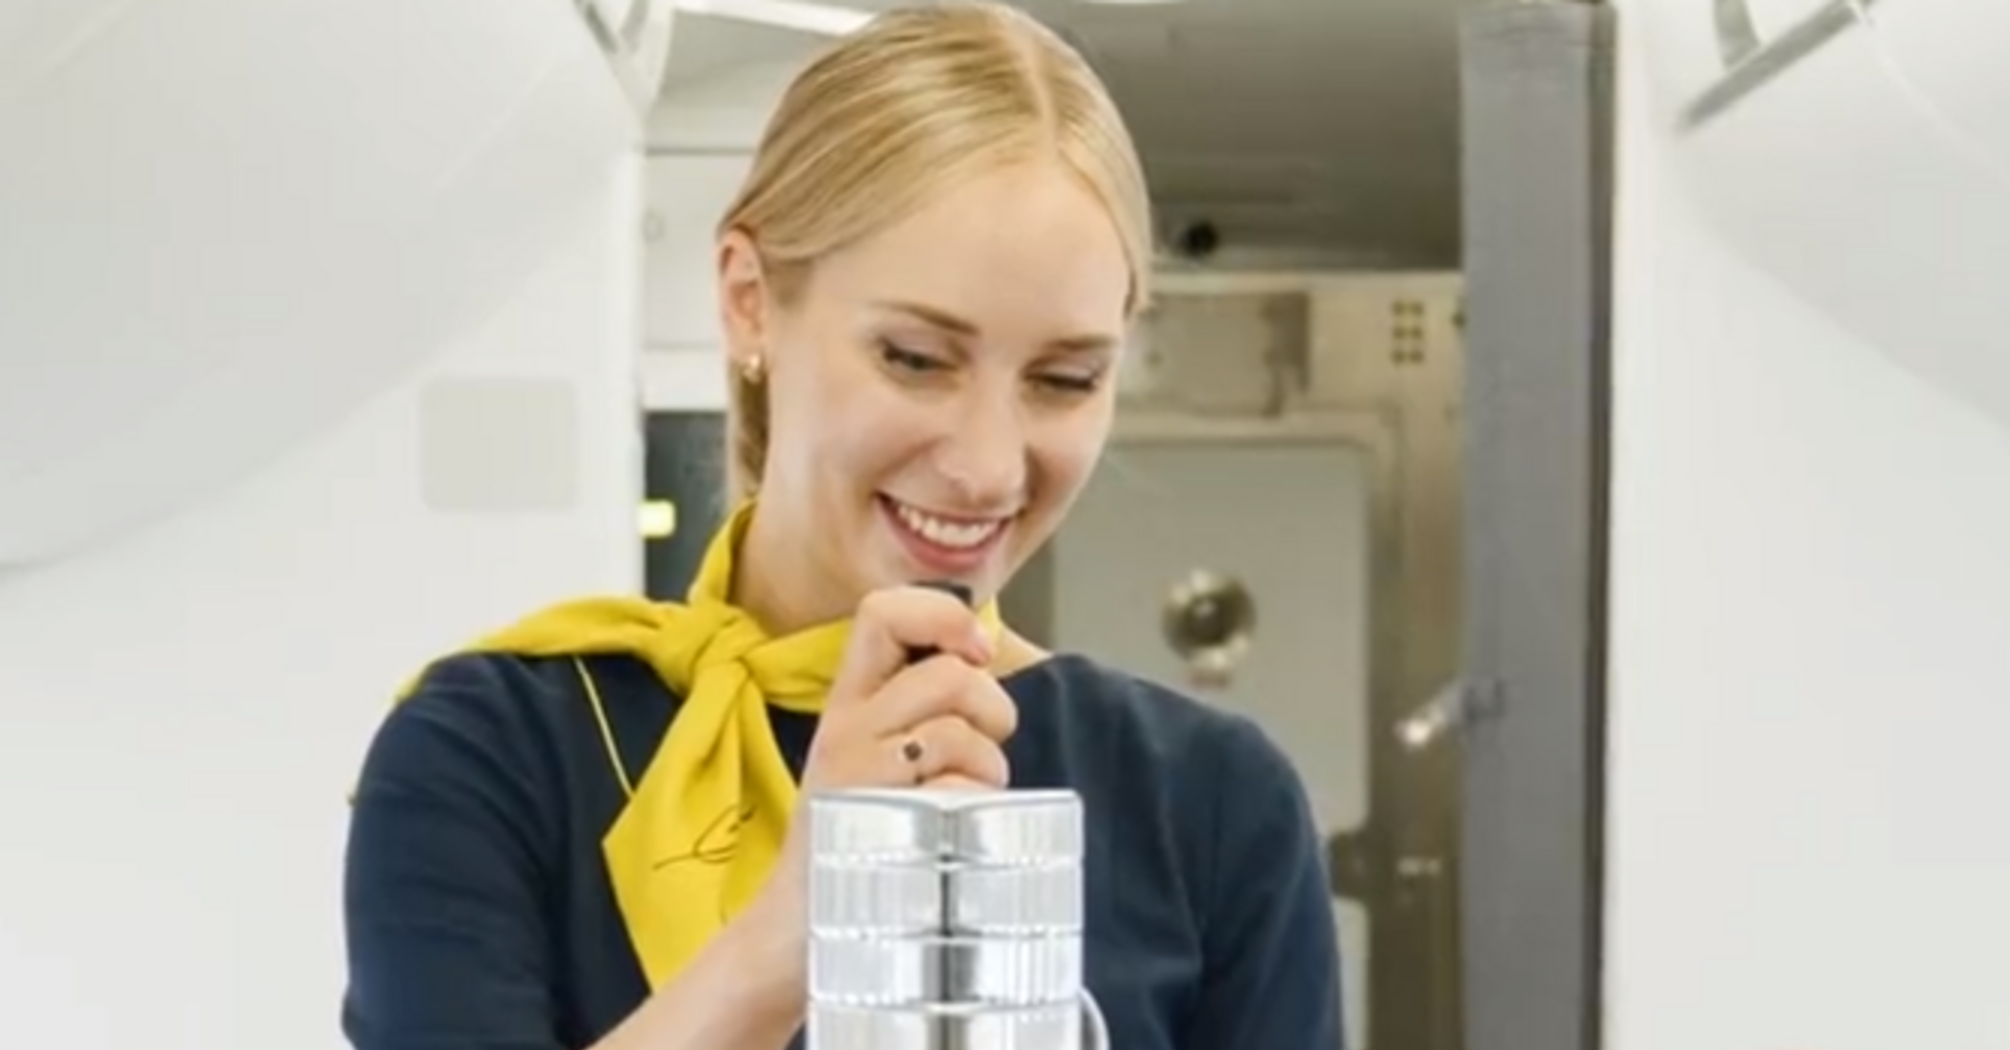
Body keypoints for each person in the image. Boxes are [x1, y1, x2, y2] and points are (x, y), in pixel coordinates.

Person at [340, 4, 1344, 1050]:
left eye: (1063, 379)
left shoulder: (1210, 806)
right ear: (747, 302)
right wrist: (793, 936)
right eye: (915, 358)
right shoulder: (498, 752)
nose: (988, 464)